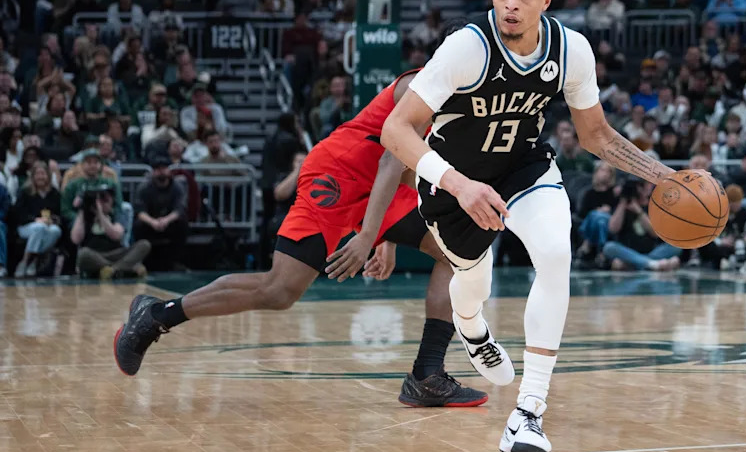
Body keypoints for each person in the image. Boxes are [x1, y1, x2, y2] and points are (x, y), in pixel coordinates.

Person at [382, 0, 676, 452]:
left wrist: (666, 176)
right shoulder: (466, 47)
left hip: (525, 169)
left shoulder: (571, 50)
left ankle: (528, 413)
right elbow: (396, 129)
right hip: (455, 182)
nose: (510, 5)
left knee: (556, 255)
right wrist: (459, 186)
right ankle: (473, 330)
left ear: (546, 1)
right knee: (471, 284)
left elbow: (597, 135)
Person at [113, 70, 488, 409]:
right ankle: (156, 316)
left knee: (454, 252)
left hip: (378, 185)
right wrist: (370, 234)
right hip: (338, 172)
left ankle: (427, 374)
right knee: (280, 290)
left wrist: (385, 238)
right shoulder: (419, 85)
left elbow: (408, 169)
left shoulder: (470, 98)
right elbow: (391, 161)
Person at [72, 185, 150, 279]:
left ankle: (112, 270)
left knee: (144, 244)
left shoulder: (117, 213)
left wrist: (101, 213)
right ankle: (126, 269)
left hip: (117, 253)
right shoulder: (86, 217)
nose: (102, 202)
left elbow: (116, 235)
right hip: (96, 255)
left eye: (105, 199)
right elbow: (75, 239)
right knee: (83, 254)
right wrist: (82, 209)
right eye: (100, 200)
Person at [601, 180, 680, 271]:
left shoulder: (655, 204)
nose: (648, 187)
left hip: (651, 251)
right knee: (609, 247)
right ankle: (651, 263)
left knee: (675, 246)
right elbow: (613, 229)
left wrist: (638, 211)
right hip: (626, 251)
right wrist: (623, 203)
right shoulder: (623, 204)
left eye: (649, 184)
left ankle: (640, 263)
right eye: (643, 185)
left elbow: (655, 233)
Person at [132, 155, 188, 273]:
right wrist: (153, 222)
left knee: (182, 223)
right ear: (153, 171)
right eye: (157, 169)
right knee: (138, 225)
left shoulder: (177, 187)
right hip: (150, 222)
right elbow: (139, 211)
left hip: (169, 222)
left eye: (164, 168)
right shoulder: (144, 187)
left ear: (169, 170)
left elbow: (180, 209)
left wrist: (166, 220)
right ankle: (142, 261)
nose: (161, 172)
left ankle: (176, 261)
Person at [698, 185, 746, 270]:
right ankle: (745, 262)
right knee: (706, 246)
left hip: (744, 247)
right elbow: (708, 234)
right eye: (731, 203)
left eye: (737, 203)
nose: (734, 206)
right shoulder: (718, 213)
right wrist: (721, 241)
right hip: (724, 247)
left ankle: (731, 262)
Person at [12, 161, 61, 277]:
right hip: (26, 226)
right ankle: (25, 261)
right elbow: (18, 215)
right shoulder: (25, 192)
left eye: (43, 174)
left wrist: (52, 220)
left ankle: (33, 261)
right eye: (38, 174)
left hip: (47, 226)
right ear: (33, 176)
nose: (40, 177)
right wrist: (35, 220)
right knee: (39, 228)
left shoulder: (54, 194)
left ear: (48, 176)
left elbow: (59, 214)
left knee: (56, 231)